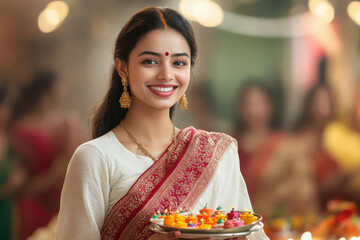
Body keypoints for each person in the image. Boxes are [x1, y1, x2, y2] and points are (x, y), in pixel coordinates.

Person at [56, 7, 269, 240]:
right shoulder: (95, 158)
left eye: (179, 63)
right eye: (150, 61)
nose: (166, 75)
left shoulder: (216, 153)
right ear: (122, 68)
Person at [11, 70, 83, 239]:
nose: (63, 92)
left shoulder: (62, 123)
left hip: (55, 201)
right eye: (59, 87)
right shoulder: (23, 128)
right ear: (46, 94)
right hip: (33, 205)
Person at [233, 81, 318, 221]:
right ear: (240, 109)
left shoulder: (287, 147)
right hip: (236, 226)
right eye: (249, 104)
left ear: (270, 107)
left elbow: (302, 192)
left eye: (259, 104)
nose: (254, 111)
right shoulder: (230, 146)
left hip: (276, 226)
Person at [0, 79, 27, 240]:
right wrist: (8, 188)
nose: (9, 112)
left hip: (7, 214)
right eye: (5, 106)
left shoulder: (9, 135)